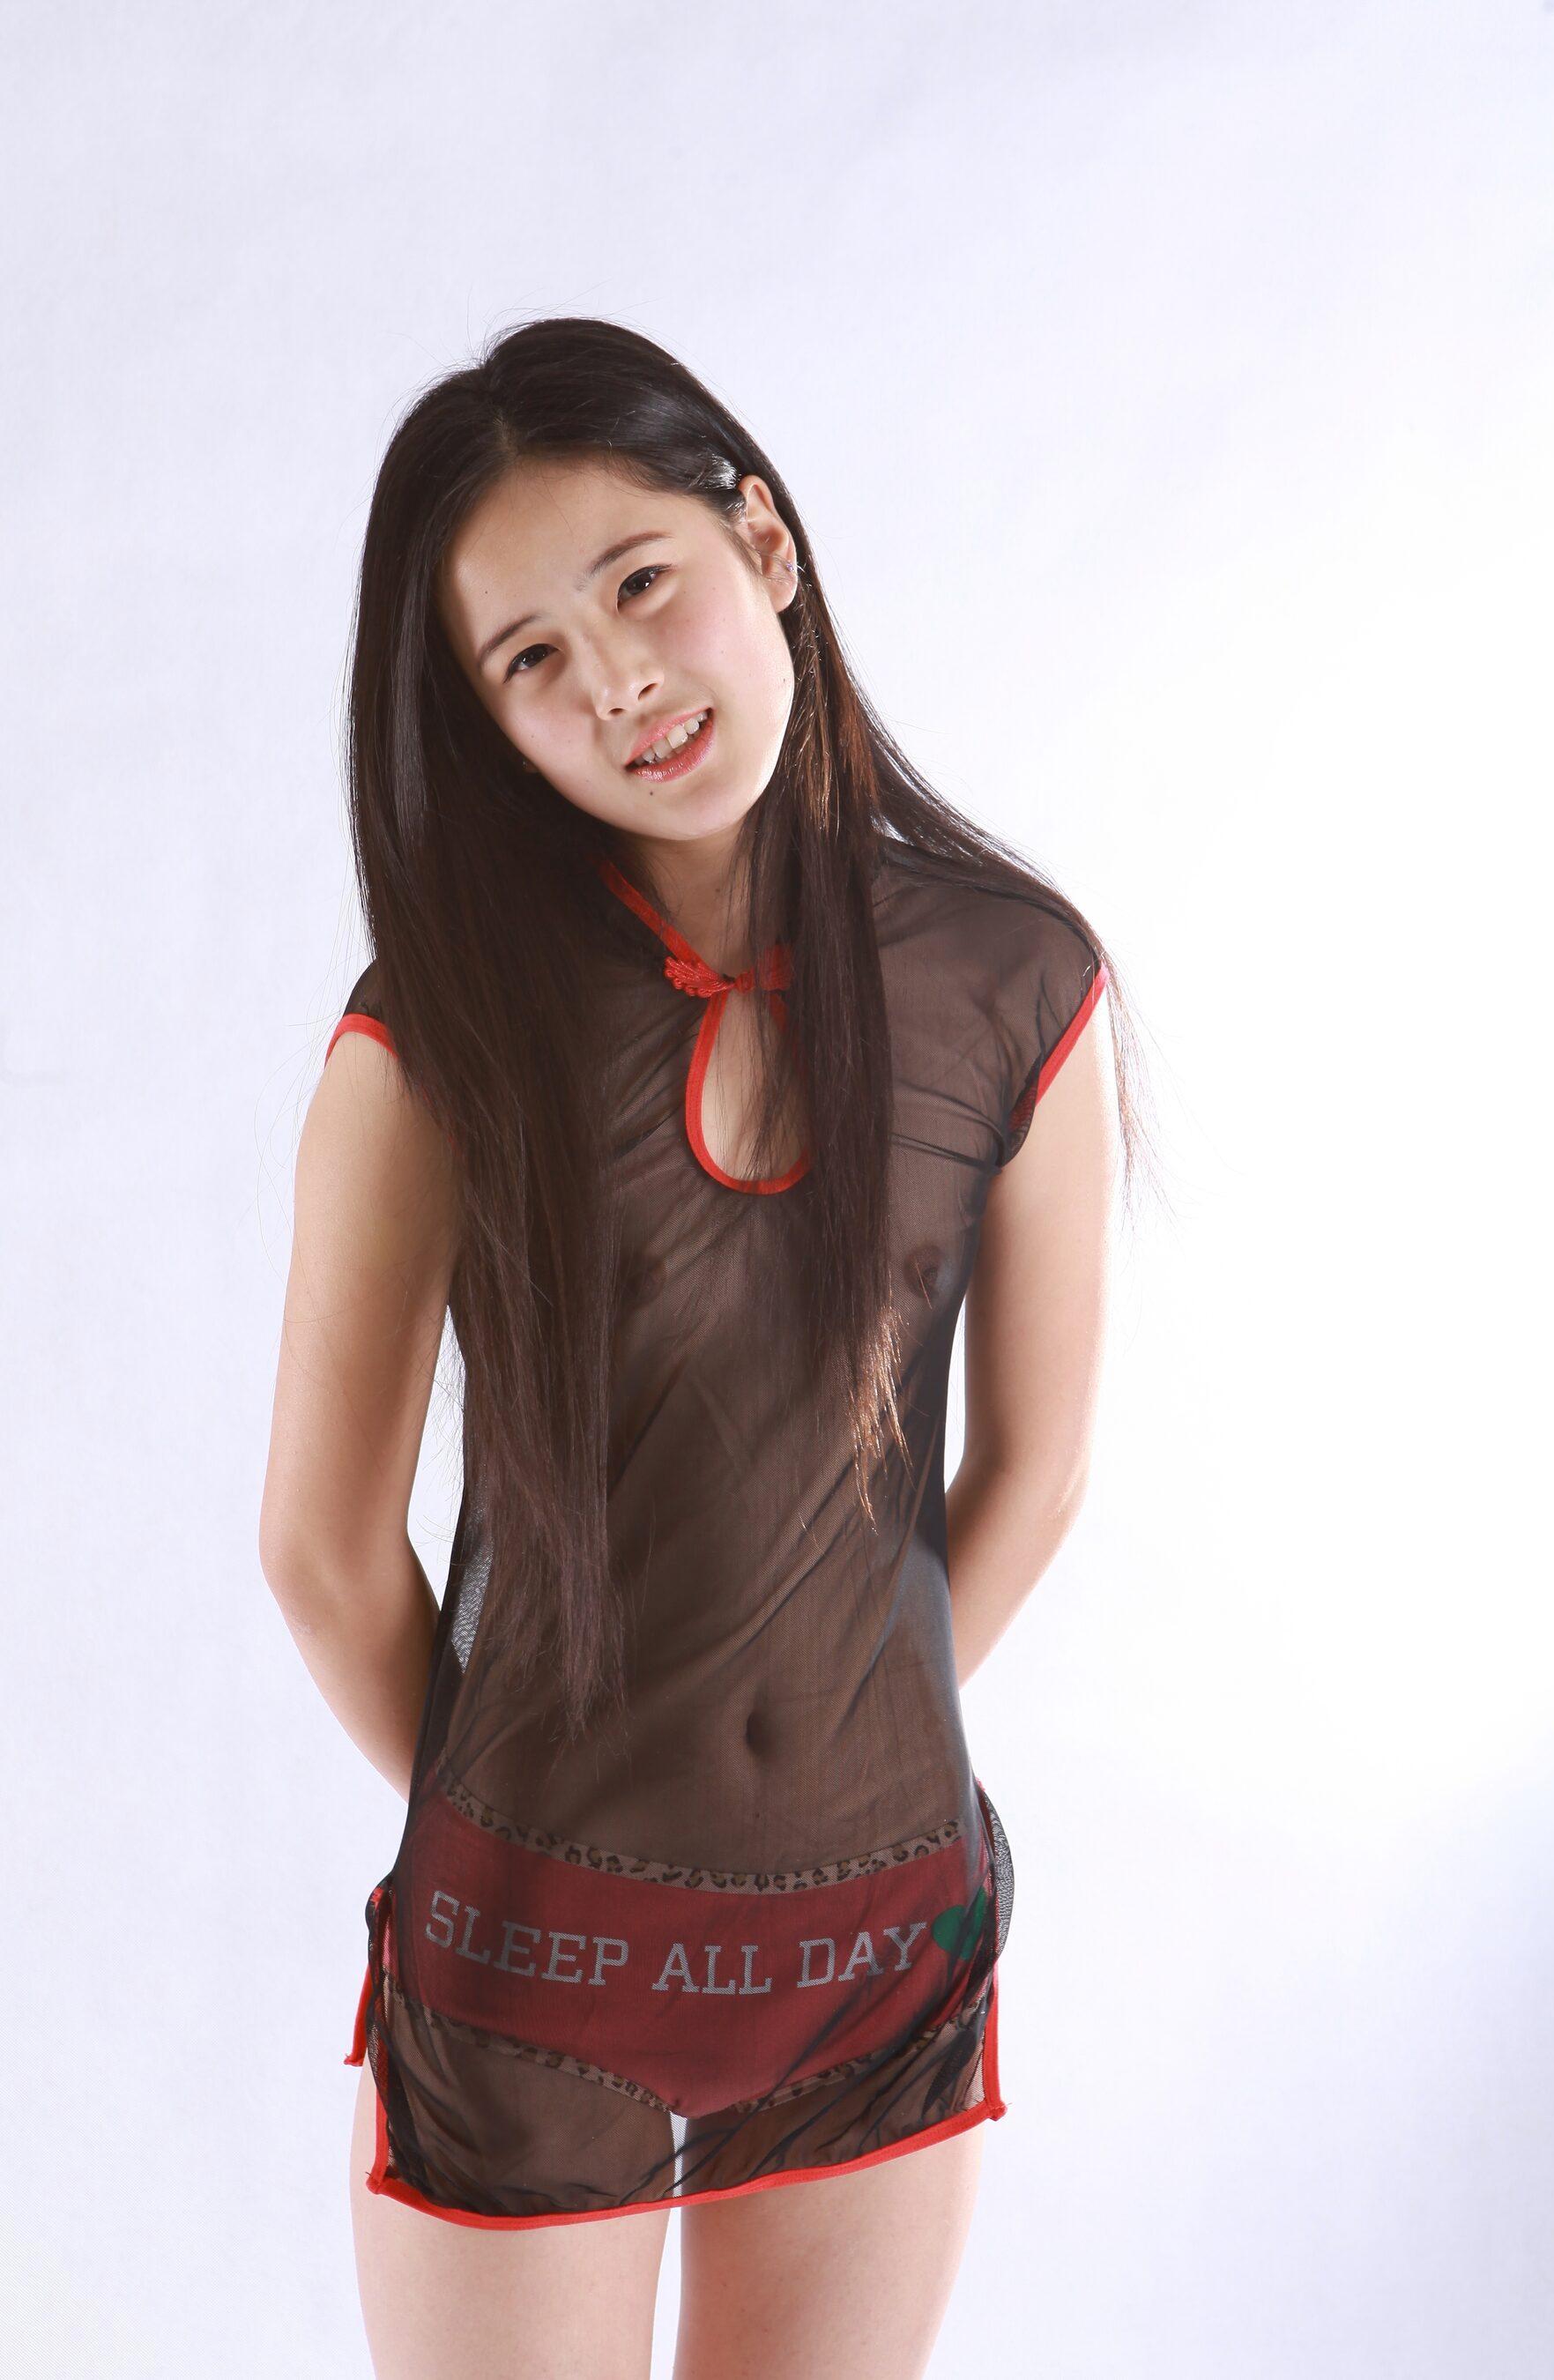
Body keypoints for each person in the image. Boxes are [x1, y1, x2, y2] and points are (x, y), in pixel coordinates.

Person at [259, 316, 1152, 2380]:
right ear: (487, 726)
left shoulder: (1020, 981)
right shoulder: (436, 1040)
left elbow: (1036, 1471)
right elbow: (321, 1549)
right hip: (526, 1960)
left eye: (641, 583)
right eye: (532, 659)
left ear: (764, 541)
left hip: (877, 1938)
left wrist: (829, 1750)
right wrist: (550, 1829)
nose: (618, 681)